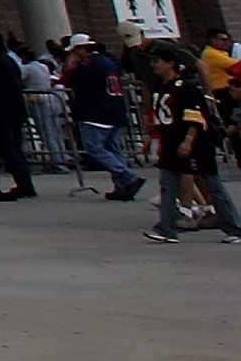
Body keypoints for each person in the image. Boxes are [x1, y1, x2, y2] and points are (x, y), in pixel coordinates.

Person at [144, 50, 241, 245]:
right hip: (169, 140)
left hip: (194, 142)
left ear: (171, 63)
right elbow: (159, 115)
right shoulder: (159, 87)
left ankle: (234, 227)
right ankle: (167, 228)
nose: (154, 65)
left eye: (158, 61)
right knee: (168, 185)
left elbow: (195, 117)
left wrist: (188, 140)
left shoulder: (186, 88)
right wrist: (151, 137)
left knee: (212, 185)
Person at [62, 34, 143, 203]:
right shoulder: (108, 62)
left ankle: (127, 176)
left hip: (96, 113)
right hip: (115, 110)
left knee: (95, 148)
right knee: (113, 149)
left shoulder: (88, 65)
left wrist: (71, 67)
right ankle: (122, 186)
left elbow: (70, 80)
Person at [0, 30, 37, 200]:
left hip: (1, 110)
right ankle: (25, 183)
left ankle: (24, 184)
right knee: (16, 147)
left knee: (8, 148)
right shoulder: (9, 59)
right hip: (15, 108)